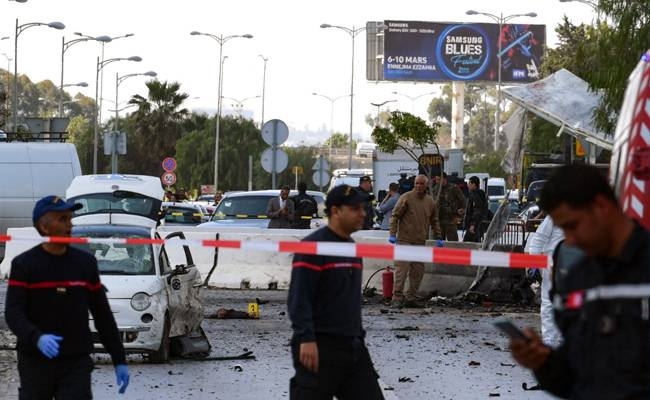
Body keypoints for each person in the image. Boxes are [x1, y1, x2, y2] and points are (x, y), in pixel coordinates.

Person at [509, 165, 650, 399]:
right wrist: (543, 363)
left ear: (601, 206)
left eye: (573, 226)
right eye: (563, 229)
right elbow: (576, 375)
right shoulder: (575, 281)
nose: (570, 241)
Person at [4, 195, 130, 398]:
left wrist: (119, 358)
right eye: (62, 219)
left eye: (70, 218)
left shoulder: (85, 264)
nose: (69, 225)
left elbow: (102, 315)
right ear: (44, 227)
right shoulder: (24, 265)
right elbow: (13, 312)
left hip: (75, 361)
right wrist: (36, 338)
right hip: (35, 360)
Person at [288, 184, 385, 400]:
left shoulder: (352, 248)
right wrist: (306, 339)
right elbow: (299, 298)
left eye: (363, 208)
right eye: (354, 208)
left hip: (353, 348)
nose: (362, 213)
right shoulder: (313, 247)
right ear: (335, 211)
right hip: (320, 347)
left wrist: (358, 338)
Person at [389, 174, 442, 308]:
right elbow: (395, 216)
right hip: (405, 240)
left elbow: (434, 220)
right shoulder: (406, 197)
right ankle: (396, 297)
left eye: (421, 184)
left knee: (418, 270)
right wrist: (392, 234)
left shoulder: (429, 202)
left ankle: (411, 297)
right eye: (416, 183)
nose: (418, 186)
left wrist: (439, 237)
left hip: (419, 242)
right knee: (402, 269)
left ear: (426, 185)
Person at [527, 215, 564, 348]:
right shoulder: (555, 216)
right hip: (553, 265)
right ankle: (550, 341)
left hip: (574, 264)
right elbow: (538, 239)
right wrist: (534, 262)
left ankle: (559, 339)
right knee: (550, 302)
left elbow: (538, 239)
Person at [433, 172, 466, 241]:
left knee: (452, 243)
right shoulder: (435, 189)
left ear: (444, 179)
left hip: (451, 220)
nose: (437, 181)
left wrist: (459, 217)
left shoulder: (453, 188)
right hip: (439, 219)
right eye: (436, 180)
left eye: (438, 179)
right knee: (438, 243)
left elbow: (463, 201)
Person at [463, 175, 488, 242]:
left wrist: (472, 225)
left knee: (468, 244)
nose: (468, 185)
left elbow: (477, 211)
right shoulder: (474, 194)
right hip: (476, 225)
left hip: (476, 226)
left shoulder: (476, 195)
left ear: (474, 184)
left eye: (469, 183)